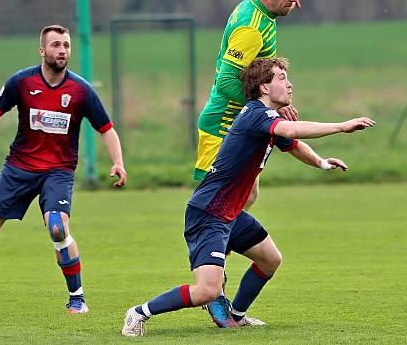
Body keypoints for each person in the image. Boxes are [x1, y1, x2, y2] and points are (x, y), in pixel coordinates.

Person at [122, 57, 375, 337]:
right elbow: (291, 130)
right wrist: (341, 125)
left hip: (229, 213)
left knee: (270, 259)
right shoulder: (256, 114)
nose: (289, 84)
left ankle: (237, 315)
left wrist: (321, 163)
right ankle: (138, 313)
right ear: (264, 88)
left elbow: (291, 144)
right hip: (209, 213)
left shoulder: (267, 119)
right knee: (207, 290)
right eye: (281, 78)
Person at [0, 25, 127, 318]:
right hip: (18, 168)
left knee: (58, 228)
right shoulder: (21, 82)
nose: (62, 50)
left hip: (57, 172)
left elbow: (106, 129)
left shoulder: (81, 90)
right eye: (56, 45)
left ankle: (77, 298)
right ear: (42, 51)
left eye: (67, 45)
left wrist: (118, 162)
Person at [193, 0, 300, 324]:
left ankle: (219, 289)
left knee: (243, 198)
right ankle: (212, 288)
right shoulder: (253, 29)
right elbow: (226, 82)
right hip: (223, 127)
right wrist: (264, 105)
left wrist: (273, 100)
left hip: (235, 123)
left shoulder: (258, 11)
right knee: (217, 208)